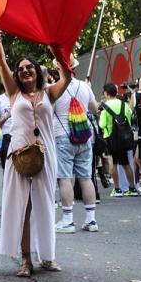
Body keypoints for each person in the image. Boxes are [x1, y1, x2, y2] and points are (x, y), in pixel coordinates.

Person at [0, 31, 70, 276]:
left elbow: (67, 75)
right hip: (18, 157)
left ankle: (47, 257)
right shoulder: (14, 94)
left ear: (37, 70)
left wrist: (57, 51)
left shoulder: (49, 93)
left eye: (29, 67)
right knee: (22, 207)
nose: (25, 70)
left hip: (46, 156)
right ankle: (25, 259)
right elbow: (1, 64)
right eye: (21, 68)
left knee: (45, 205)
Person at [50, 62, 99, 234]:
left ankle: (68, 220)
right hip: (84, 136)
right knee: (86, 178)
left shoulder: (54, 88)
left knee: (64, 178)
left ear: (58, 69)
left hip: (62, 136)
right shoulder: (85, 86)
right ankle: (91, 219)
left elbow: (49, 110)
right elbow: (95, 108)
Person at [98, 84, 136, 197]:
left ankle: (117, 189)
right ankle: (132, 188)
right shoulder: (124, 104)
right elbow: (128, 121)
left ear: (106, 94)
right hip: (124, 139)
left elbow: (102, 124)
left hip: (110, 139)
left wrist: (100, 116)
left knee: (112, 164)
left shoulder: (105, 106)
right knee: (126, 164)